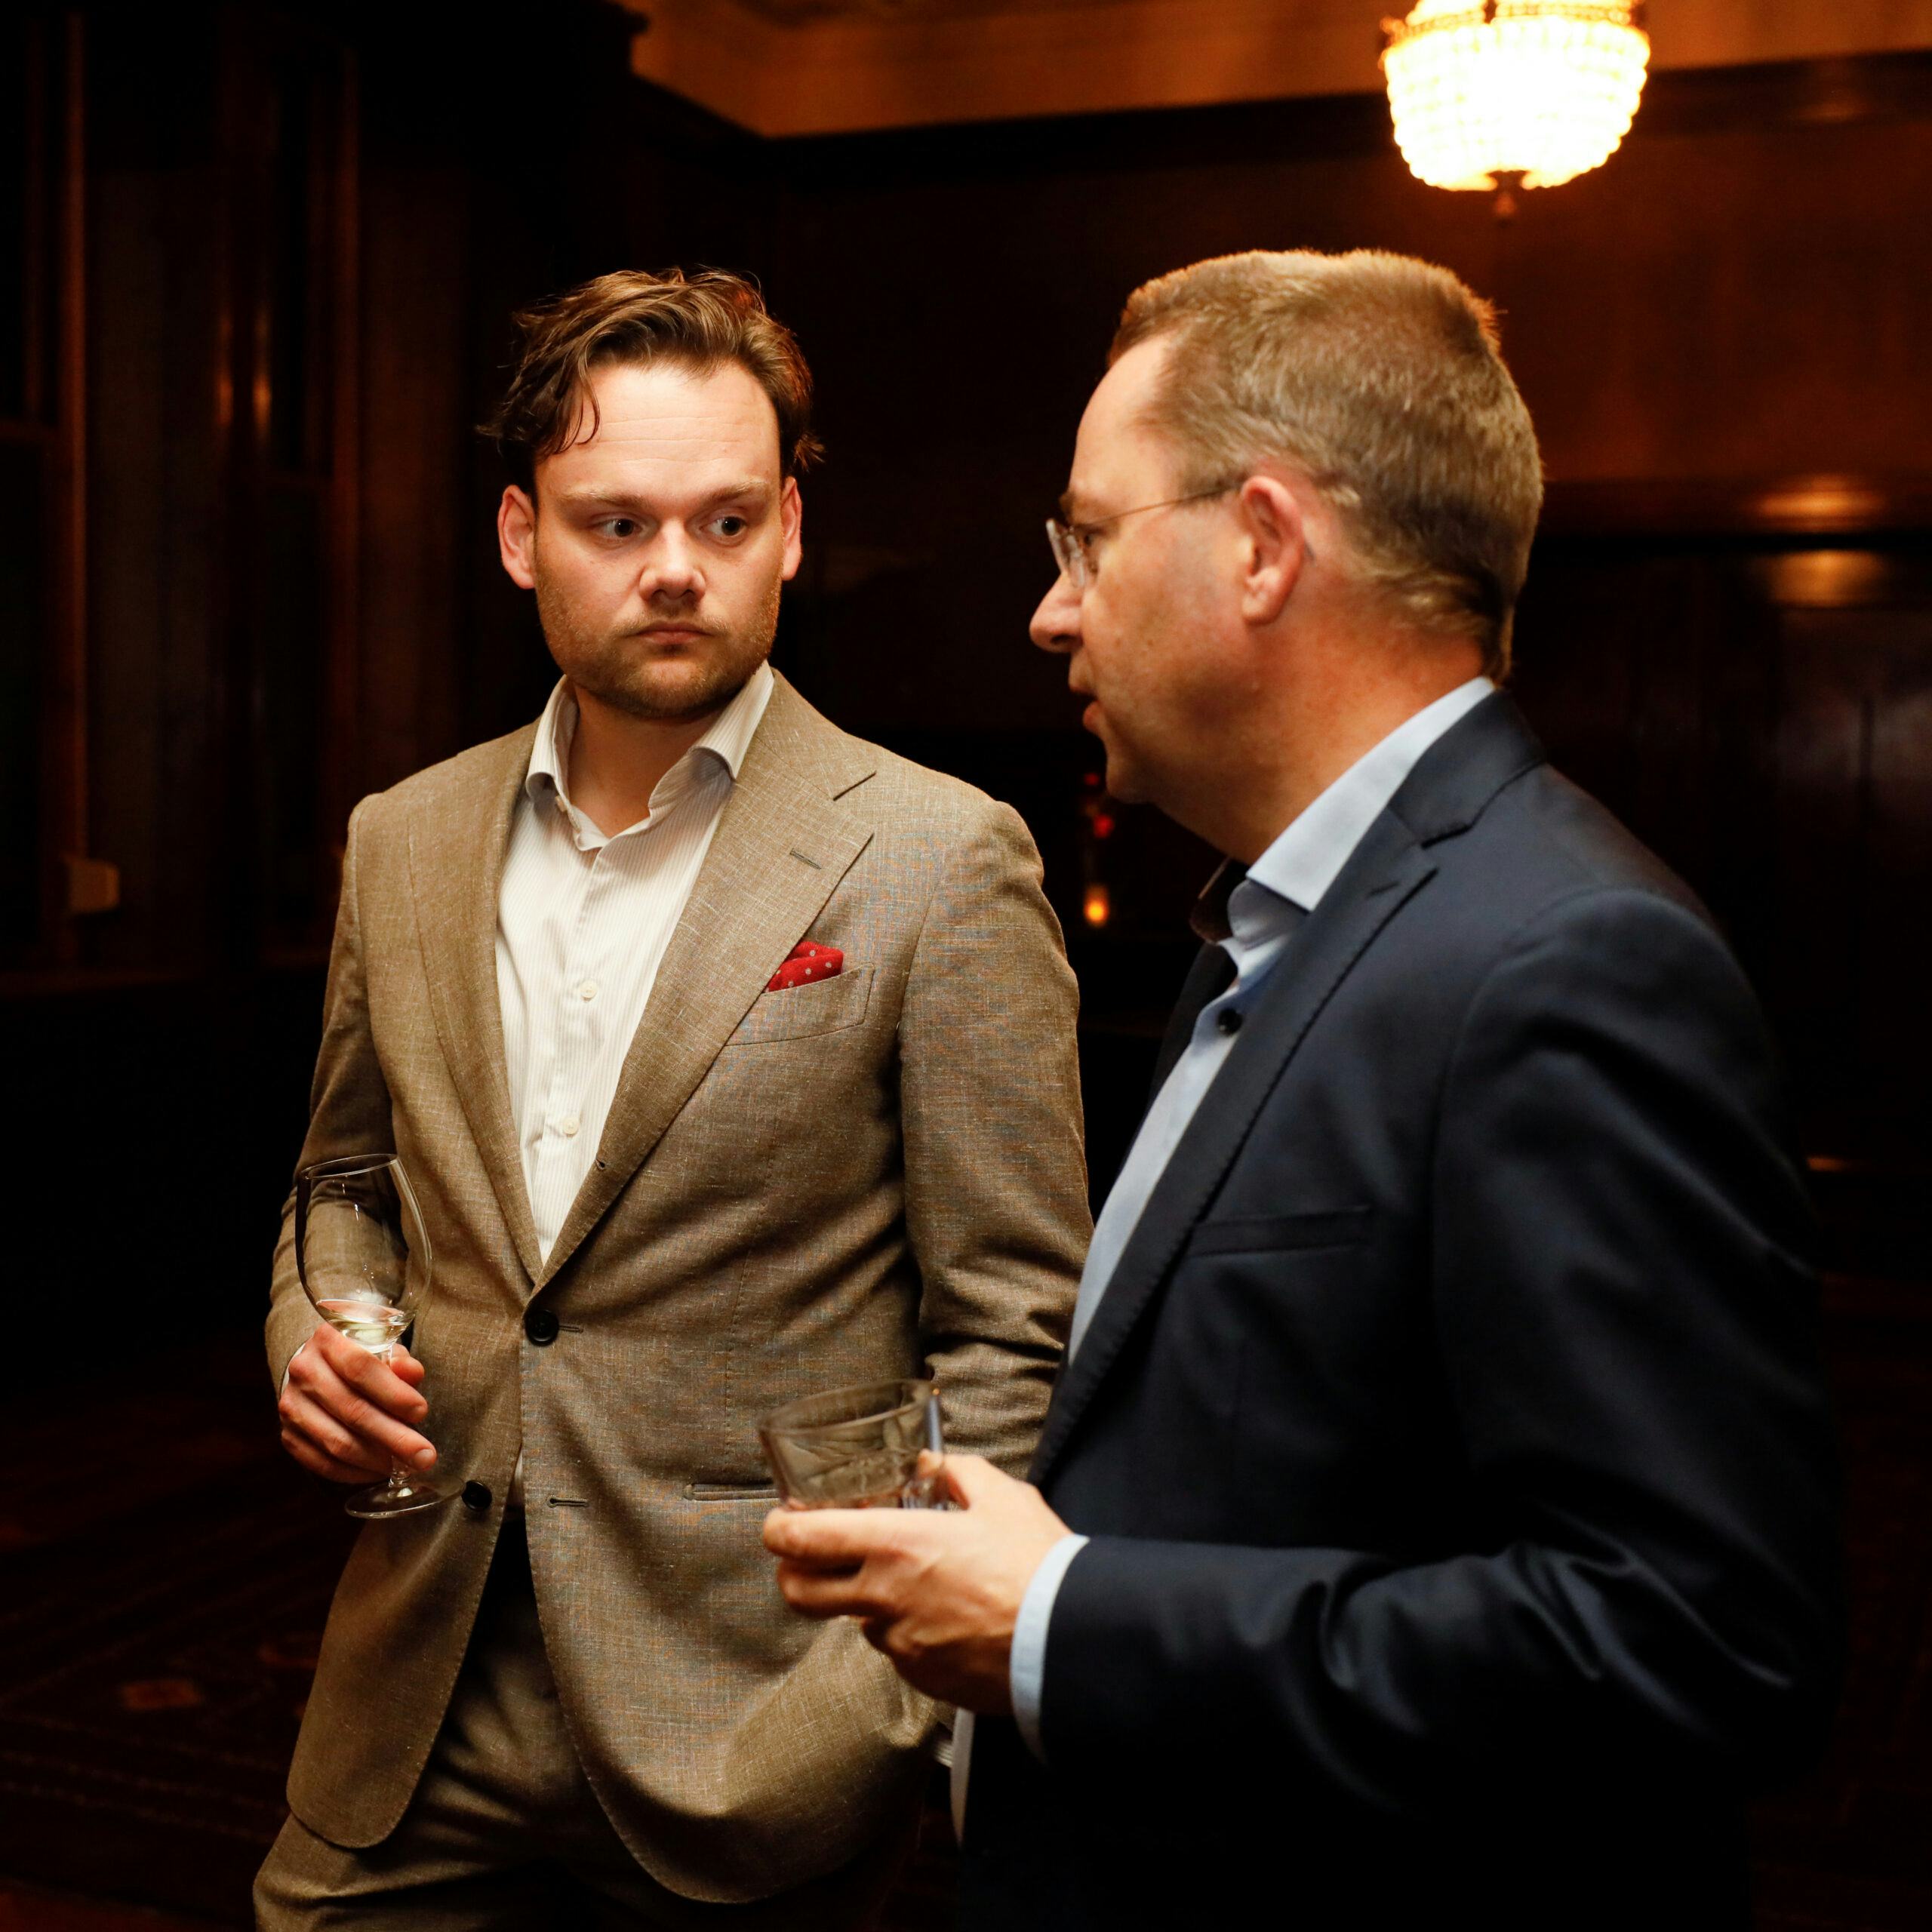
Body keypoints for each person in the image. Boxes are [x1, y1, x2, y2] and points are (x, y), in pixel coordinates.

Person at [763, 249, 1842, 1929]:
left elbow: (1691, 1641)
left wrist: (1062, 1619)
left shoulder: (1566, 959)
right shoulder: (1282, 927)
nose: (1050, 610)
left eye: (1087, 539)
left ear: (1262, 545)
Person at [254, 267, 1090, 1928]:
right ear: (520, 535)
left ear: (790, 529)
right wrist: (310, 1337)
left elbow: (1015, 1328)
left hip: (756, 1729)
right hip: (416, 1689)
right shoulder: (400, 837)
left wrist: (878, 1711)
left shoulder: (938, 856)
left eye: (724, 520)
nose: (674, 570)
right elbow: (341, 1182)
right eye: (616, 522)